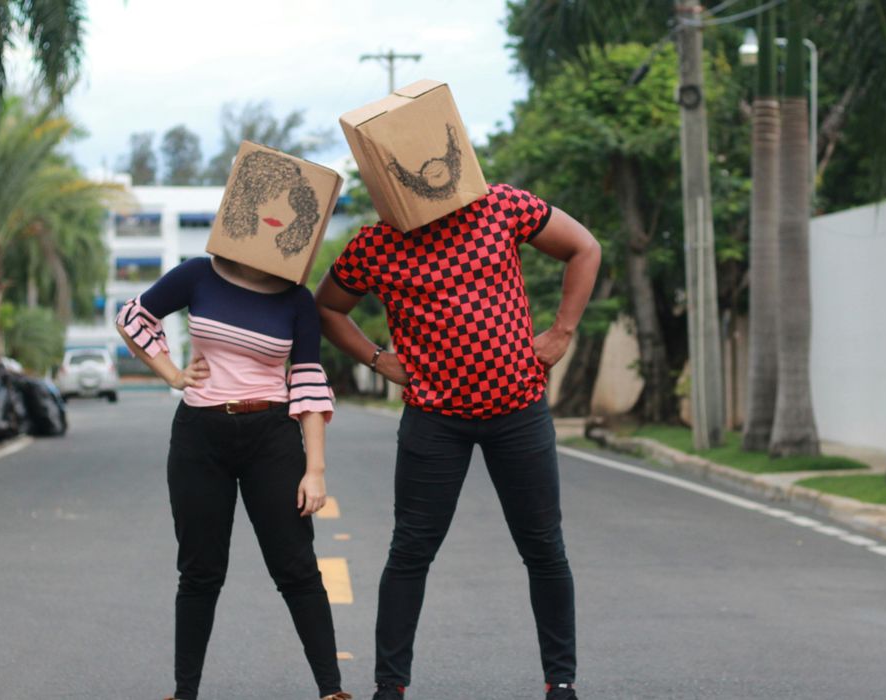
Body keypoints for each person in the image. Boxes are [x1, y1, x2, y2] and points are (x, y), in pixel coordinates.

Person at [314, 183, 601, 700]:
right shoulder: (375, 245)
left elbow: (585, 246)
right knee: (411, 551)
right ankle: (390, 687)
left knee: (543, 549)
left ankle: (561, 682)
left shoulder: (501, 205)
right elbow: (327, 308)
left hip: (518, 408)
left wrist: (562, 330)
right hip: (434, 417)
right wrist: (379, 358)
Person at [115, 255, 351, 700]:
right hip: (198, 438)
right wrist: (171, 373)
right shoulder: (198, 274)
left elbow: (306, 379)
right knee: (199, 571)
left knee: (296, 568)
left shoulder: (297, 299)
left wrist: (315, 470)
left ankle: (331, 691)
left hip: (272, 437)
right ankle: (184, 693)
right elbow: (133, 316)